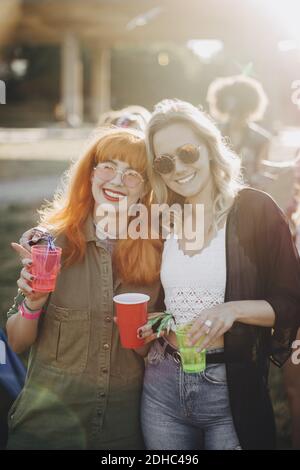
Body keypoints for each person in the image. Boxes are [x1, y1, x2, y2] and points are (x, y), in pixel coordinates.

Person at [138, 99, 300, 450]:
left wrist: (233, 309)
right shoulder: (164, 218)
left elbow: (291, 303)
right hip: (162, 384)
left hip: (229, 387)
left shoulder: (256, 209)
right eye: (164, 161)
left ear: (210, 148)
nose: (178, 168)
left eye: (187, 152)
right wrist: (160, 319)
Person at [5, 128, 163, 450]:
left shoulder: (158, 254)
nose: (118, 181)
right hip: (47, 432)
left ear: (145, 188)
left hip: (122, 434)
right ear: (90, 174)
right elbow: (16, 341)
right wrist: (33, 304)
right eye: (108, 167)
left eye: (132, 174)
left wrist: (147, 335)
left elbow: (148, 353)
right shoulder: (49, 245)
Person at [206, 74, 272, 186]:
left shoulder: (261, 140)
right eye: (233, 112)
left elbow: (261, 173)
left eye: (241, 112)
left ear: (249, 110)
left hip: (249, 197)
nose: (236, 118)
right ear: (225, 108)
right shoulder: (211, 135)